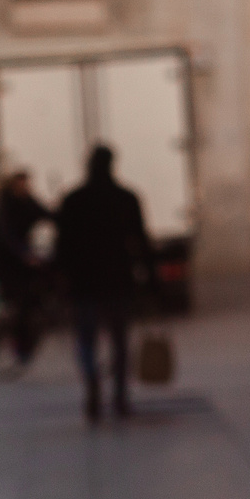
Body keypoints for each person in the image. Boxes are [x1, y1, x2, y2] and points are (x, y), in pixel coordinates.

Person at [53, 145, 153, 423]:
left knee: (86, 340)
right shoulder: (126, 198)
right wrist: (150, 278)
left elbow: (62, 246)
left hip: (84, 282)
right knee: (119, 341)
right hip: (117, 280)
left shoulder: (73, 200)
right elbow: (141, 241)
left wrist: (60, 278)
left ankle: (92, 383)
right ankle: (120, 396)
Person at [0, 170, 51, 361]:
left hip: (23, 257)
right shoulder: (7, 206)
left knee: (32, 298)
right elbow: (7, 235)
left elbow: (46, 214)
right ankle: (19, 343)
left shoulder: (28, 202)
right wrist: (23, 254)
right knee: (21, 302)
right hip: (8, 260)